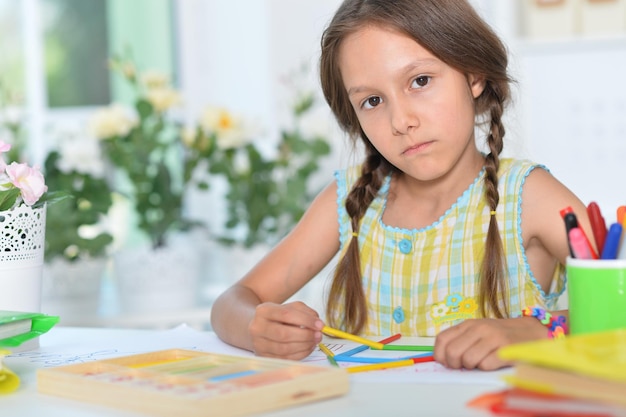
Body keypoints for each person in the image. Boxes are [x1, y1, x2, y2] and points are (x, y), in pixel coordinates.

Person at [210, 0, 593, 371]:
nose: (401, 120)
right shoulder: (348, 201)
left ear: (473, 75)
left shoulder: (530, 197)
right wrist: (257, 327)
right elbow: (233, 302)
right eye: (373, 101)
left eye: (420, 81)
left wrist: (535, 330)